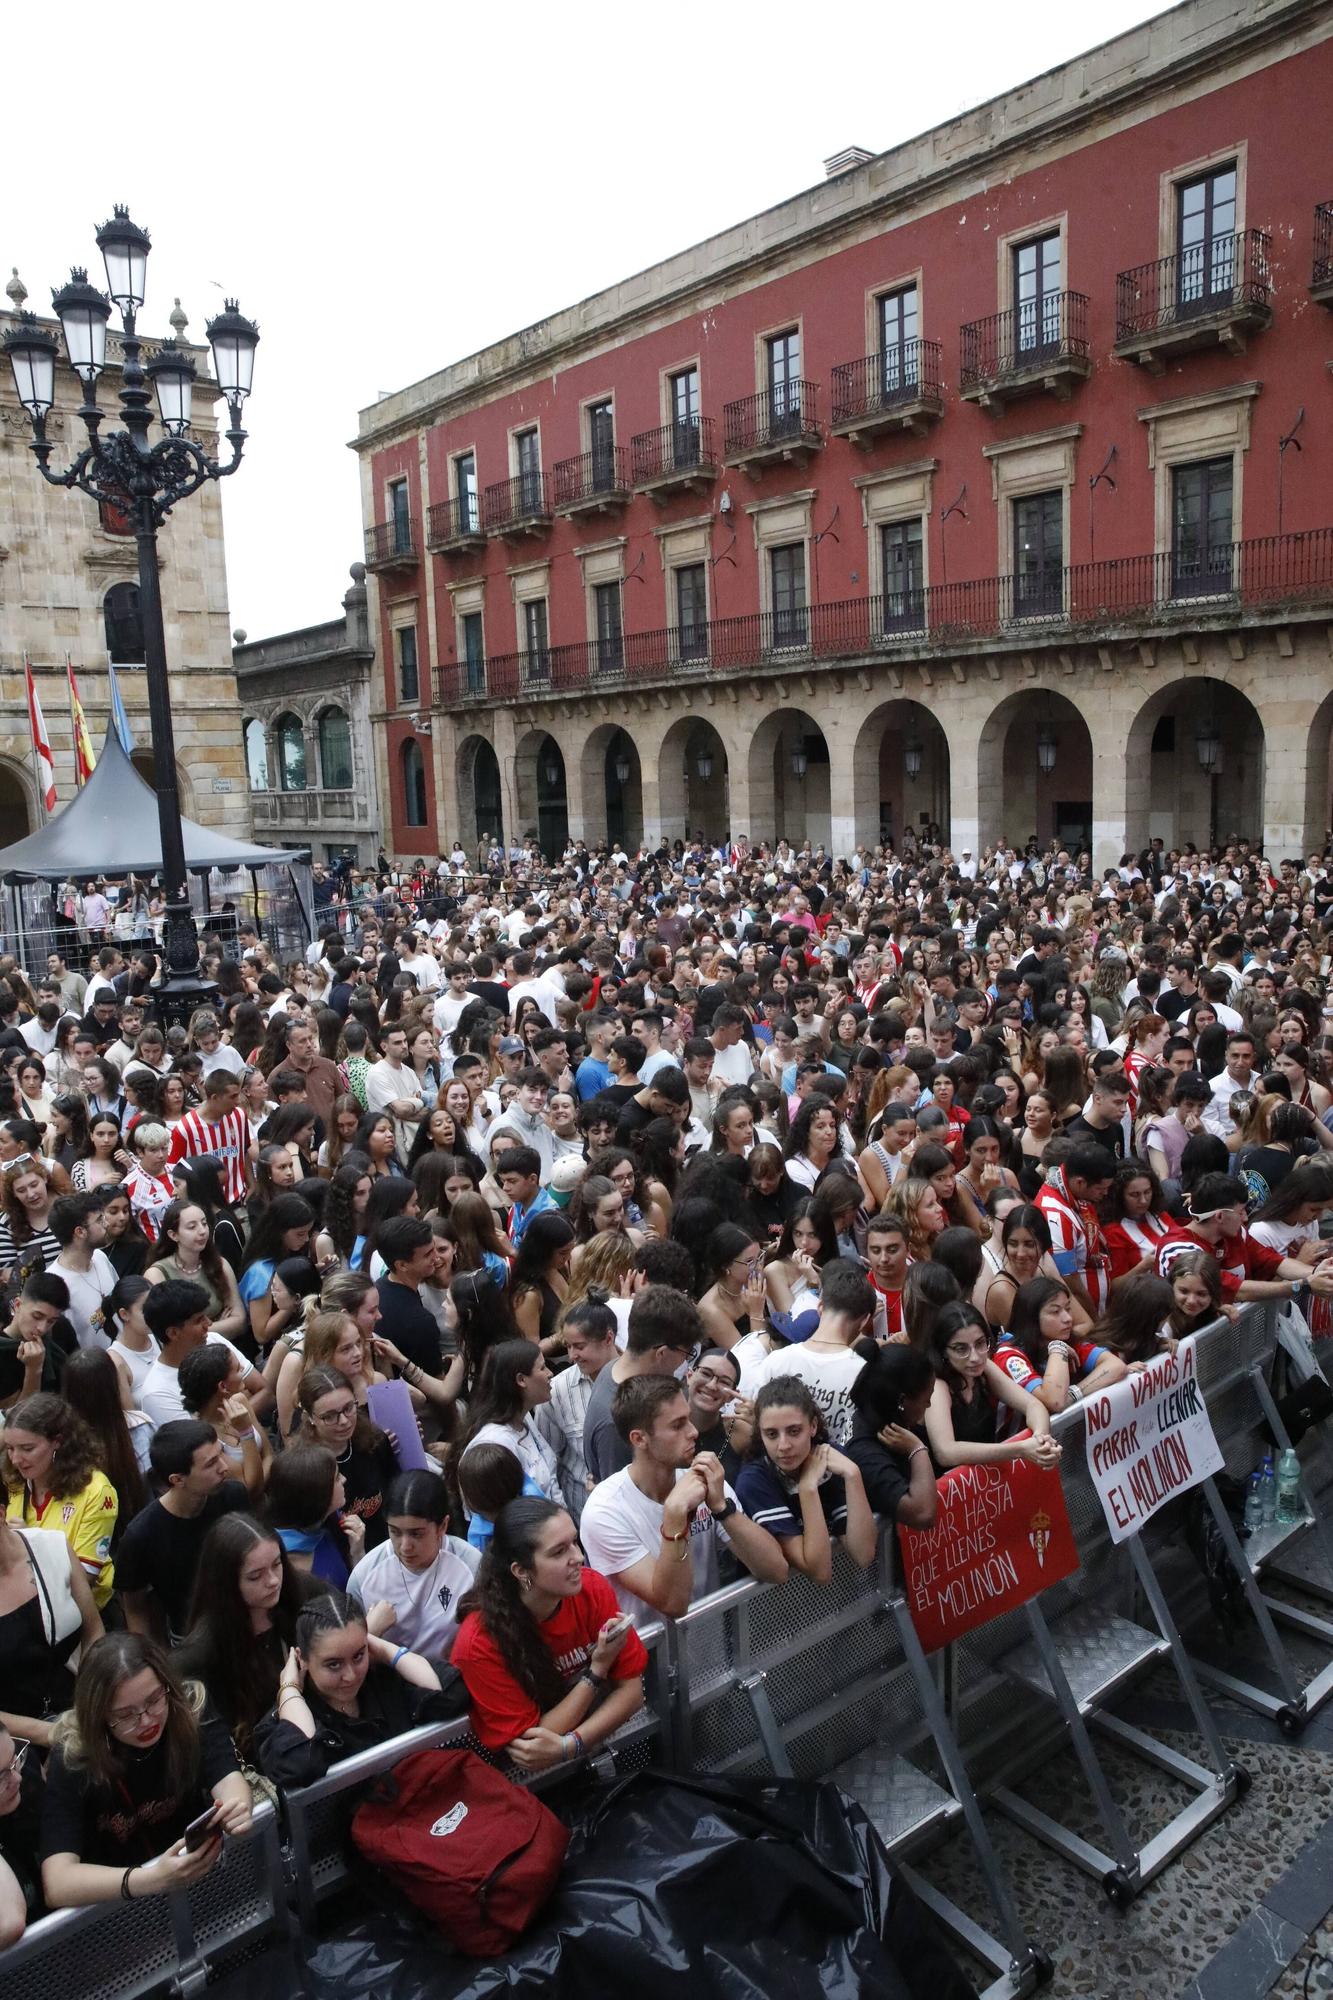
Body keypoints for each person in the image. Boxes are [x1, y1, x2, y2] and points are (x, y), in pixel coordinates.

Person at [39, 1631, 251, 1908]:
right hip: (121, 1907)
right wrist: (150, 1879)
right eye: (125, 1714)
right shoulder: (73, 1757)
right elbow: (57, 1883)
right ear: (98, 1716)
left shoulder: (190, 1708)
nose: (147, 1720)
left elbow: (229, 1779)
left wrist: (238, 1807)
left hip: (205, 1885)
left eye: (154, 1700)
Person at [451, 1497, 648, 1767]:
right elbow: (533, 1748)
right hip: (527, 1787)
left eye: (575, 1542)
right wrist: (597, 1671)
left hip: (599, 1755)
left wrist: (571, 1745)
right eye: (559, 1552)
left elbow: (633, 1692)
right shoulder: (478, 1643)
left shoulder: (592, 1589)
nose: (578, 1557)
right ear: (521, 1571)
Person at [580, 1374, 786, 1622]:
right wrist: (675, 1515)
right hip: (648, 1656)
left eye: (688, 1419)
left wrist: (722, 1508)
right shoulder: (605, 1510)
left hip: (709, 1650)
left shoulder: (702, 1481)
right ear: (639, 1438)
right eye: (677, 1425)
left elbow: (776, 1570)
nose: (693, 1432)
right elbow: (674, 1603)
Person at [254, 1588, 464, 1787]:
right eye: (333, 1664)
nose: (351, 1675)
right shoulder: (286, 1717)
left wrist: (384, 1649)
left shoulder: (384, 1680)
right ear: (303, 1659)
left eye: (358, 1656)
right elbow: (301, 1764)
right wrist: (289, 1688)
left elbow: (450, 1698)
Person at [175, 1514, 307, 1762]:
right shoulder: (199, 1655)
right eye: (255, 1576)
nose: (273, 1581)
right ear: (225, 1582)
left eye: (277, 1564)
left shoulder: (299, 1594)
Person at [114, 1421, 250, 1644]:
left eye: (221, 1454)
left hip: (245, 1620)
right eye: (211, 1464)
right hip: (190, 1639)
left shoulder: (233, 1496)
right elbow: (135, 1607)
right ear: (177, 1480)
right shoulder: (141, 1535)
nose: (225, 1467)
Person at [735, 1377, 878, 1580]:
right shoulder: (754, 1482)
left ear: (812, 1426)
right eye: (772, 1434)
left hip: (839, 1602)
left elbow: (863, 1555)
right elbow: (819, 1572)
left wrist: (853, 1475)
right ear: (760, 1433)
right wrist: (808, 1487)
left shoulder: (833, 1459)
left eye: (794, 1431)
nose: (783, 1445)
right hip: (775, 1605)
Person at [346, 1467, 481, 1662]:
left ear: (442, 1526)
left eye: (416, 1534)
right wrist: (371, 1631)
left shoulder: (471, 1565)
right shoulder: (364, 1575)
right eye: (395, 1532)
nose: (405, 1546)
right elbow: (349, 1656)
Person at [0, 1504, 103, 1749]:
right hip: (11, 1743)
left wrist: (87, 1707)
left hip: (84, 1705)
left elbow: (94, 1631)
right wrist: (49, 1733)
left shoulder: (51, 1547)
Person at [1, 1394, 118, 1607]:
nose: (16, 1459)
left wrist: (31, 1545)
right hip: (27, 1603)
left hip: (81, 1610)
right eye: (10, 1448)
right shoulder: (13, 1481)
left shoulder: (97, 1492)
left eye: (27, 1449)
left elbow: (85, 1579)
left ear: (58, 1441)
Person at [582, 1284, 703, 1483]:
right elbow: (623, 1498)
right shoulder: (616, 1422)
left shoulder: (614, 1367)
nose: (684, 1362)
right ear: (662, 1353)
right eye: (686, 1354)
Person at [751, 1257, 873, 1446]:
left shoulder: (776, 1361)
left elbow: (752, 1418)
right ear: (865, 1320)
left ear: (820, 1306)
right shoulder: (864, 1374)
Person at [924, 1302, 1061, 1469]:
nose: (974, 1357)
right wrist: (1020, 1449)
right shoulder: (937, 1387)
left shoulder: (984, 1367)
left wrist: (1040, 1439)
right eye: (961, 1349)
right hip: (949, 1490)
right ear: (942, 1351)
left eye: (980, 1343)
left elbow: (1033, 1405)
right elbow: (946, 1452)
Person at [292, 1365, 397, 1548]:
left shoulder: (375, 1441)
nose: (344, 1421)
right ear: (310, 1417)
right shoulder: (305, 1468)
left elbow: (396, 1490)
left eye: (349, 1408)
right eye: (329, 1416)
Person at [533, 1296, 618, 1522]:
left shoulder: (640, 1378)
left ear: (608, 1338)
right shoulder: (558, 1390)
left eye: (580, 1347)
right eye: (568, 1347)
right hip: (582, 1513)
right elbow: (549, 1459)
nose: (572, 1356)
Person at [994, 1278, 1127, 1415]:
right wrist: (1057, 1349)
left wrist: (1073, 1394)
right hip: (1019, 1436)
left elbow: (1116, 1366)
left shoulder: (1070, 1342)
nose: (1068, 1318)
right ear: (1031, 1318)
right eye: (1055, 1312)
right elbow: (1055, 1401)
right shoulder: (1008, 1356)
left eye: (1068, 1309)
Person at [843, 1345, 940, 1527]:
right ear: (903, 1401)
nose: (928, 1405)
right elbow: (923, 1514)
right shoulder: (865, 1454)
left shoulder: (887, 1419)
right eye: (927, 1398)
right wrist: (917, 1450)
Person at [458, 1339, 561, 1501]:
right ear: (521, 1380)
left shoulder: (525, 1417)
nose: (550, 1373)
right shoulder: (495, 1442)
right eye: (542, 1368)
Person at [264, 1445, 361, 1588]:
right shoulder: (284, 1561)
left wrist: (358, 1552)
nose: (344, 1479)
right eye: (336, 1478)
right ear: (317, 1496)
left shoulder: (333, 1521)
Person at [49, 1193, 118, 1352]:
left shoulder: (100, 1258)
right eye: (99, 1220)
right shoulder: (57, 1285)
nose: (106, 1224)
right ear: (80, 1232)